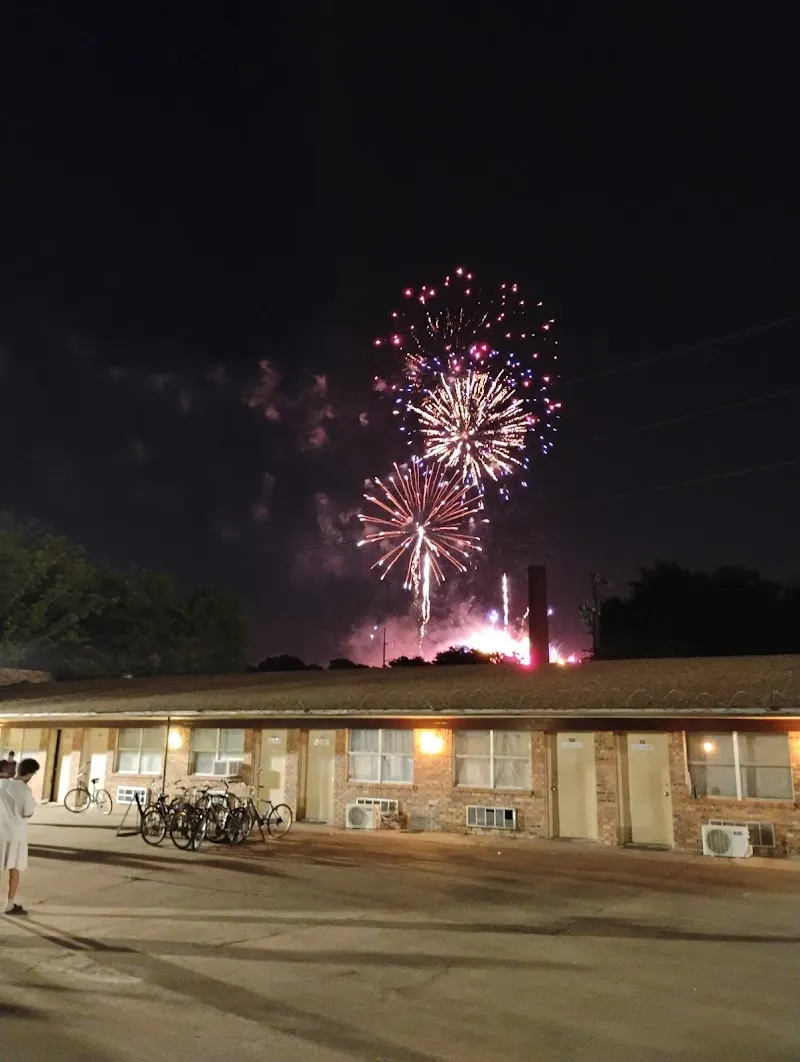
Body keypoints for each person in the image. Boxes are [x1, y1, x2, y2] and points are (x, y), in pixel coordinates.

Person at [0, 757, 40, 915]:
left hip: (0, 830)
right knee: (14, 869)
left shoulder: (2, 784)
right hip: (16, 834)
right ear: (30, 774)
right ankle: (9, 905)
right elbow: (27, 812)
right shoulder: (25, 790)